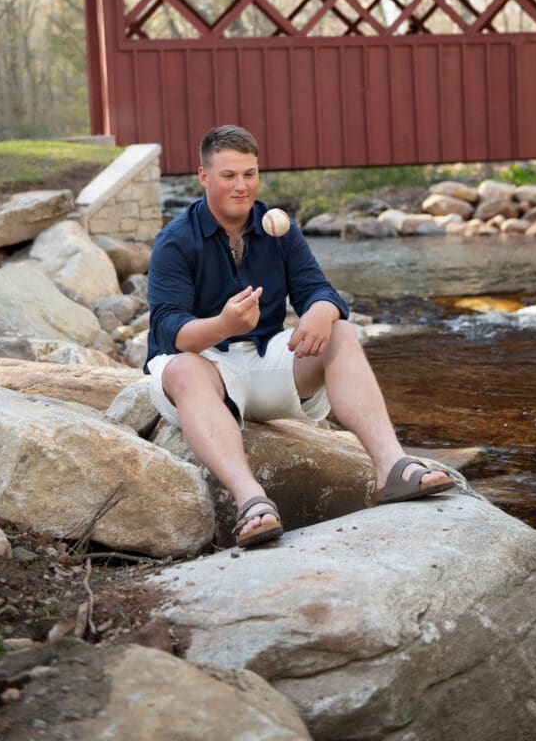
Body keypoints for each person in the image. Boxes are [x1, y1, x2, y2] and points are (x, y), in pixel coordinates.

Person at [146, 125, 454, 548]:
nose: (242, 186)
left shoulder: (279, 228)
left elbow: (319, 290)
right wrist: (223, 325)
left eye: (250, 174)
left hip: (264, 361)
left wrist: (322, 313)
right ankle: (251, 501)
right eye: (229, 176)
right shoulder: (174, 241)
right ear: (203, 177)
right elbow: (167, 329)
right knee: (182, 368)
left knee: (342, 332)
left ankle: (392, 468)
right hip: (204, 369)